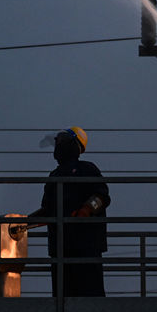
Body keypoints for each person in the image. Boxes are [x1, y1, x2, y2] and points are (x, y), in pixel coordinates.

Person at [27, 126, 110, 297]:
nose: (58, 145)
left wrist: (85, 210)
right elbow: (48, 212)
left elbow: (101, 197)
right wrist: (23, 224)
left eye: (62, 141)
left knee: (90, 297)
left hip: (87, 247)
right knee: (62, 299)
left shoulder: (87, 169)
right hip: (61, 250)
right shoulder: (55, 175)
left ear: (75, 145)